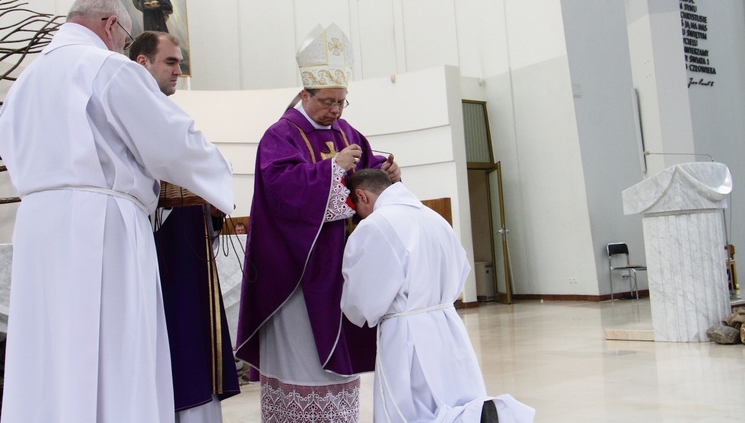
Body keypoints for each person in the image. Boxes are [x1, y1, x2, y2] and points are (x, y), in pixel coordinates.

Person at [0, 0, 234, 422]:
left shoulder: (25, 82)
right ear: (109, 25)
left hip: (37, 224)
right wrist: (219, 173)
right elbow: (170, 139)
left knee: (48, 349)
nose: (122, 47)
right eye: (124, 39)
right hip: (101, 223)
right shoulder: (105, 67)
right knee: (115, 346)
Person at [235, 23, 400, 421]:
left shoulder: (345, 130)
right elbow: (280, 190)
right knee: (304, 354)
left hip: (337, 268)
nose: (336, 111)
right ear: (305, 94)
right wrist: (330, 168)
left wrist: (388, 174)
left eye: (342, 102)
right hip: (297, 270)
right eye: (328, 102)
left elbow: (367, 172)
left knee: (338, 354)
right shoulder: (281, 135)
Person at [341, 169, 536, 423]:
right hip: (448, 325)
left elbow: (362, 300)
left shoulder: (376, 225)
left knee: (411, 410)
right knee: (455, 399)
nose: (359, 215)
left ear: (361, 196)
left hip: (407, 333)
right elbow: (461, 268)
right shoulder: (434, 218)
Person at [129, 31, 240, 422]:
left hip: (185, 253)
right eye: (171, 62)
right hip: (156, 253)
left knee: (193, 344)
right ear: (142, 62)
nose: (180, 71)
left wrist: (208, 210)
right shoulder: (134, 113)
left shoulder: (168, 114)